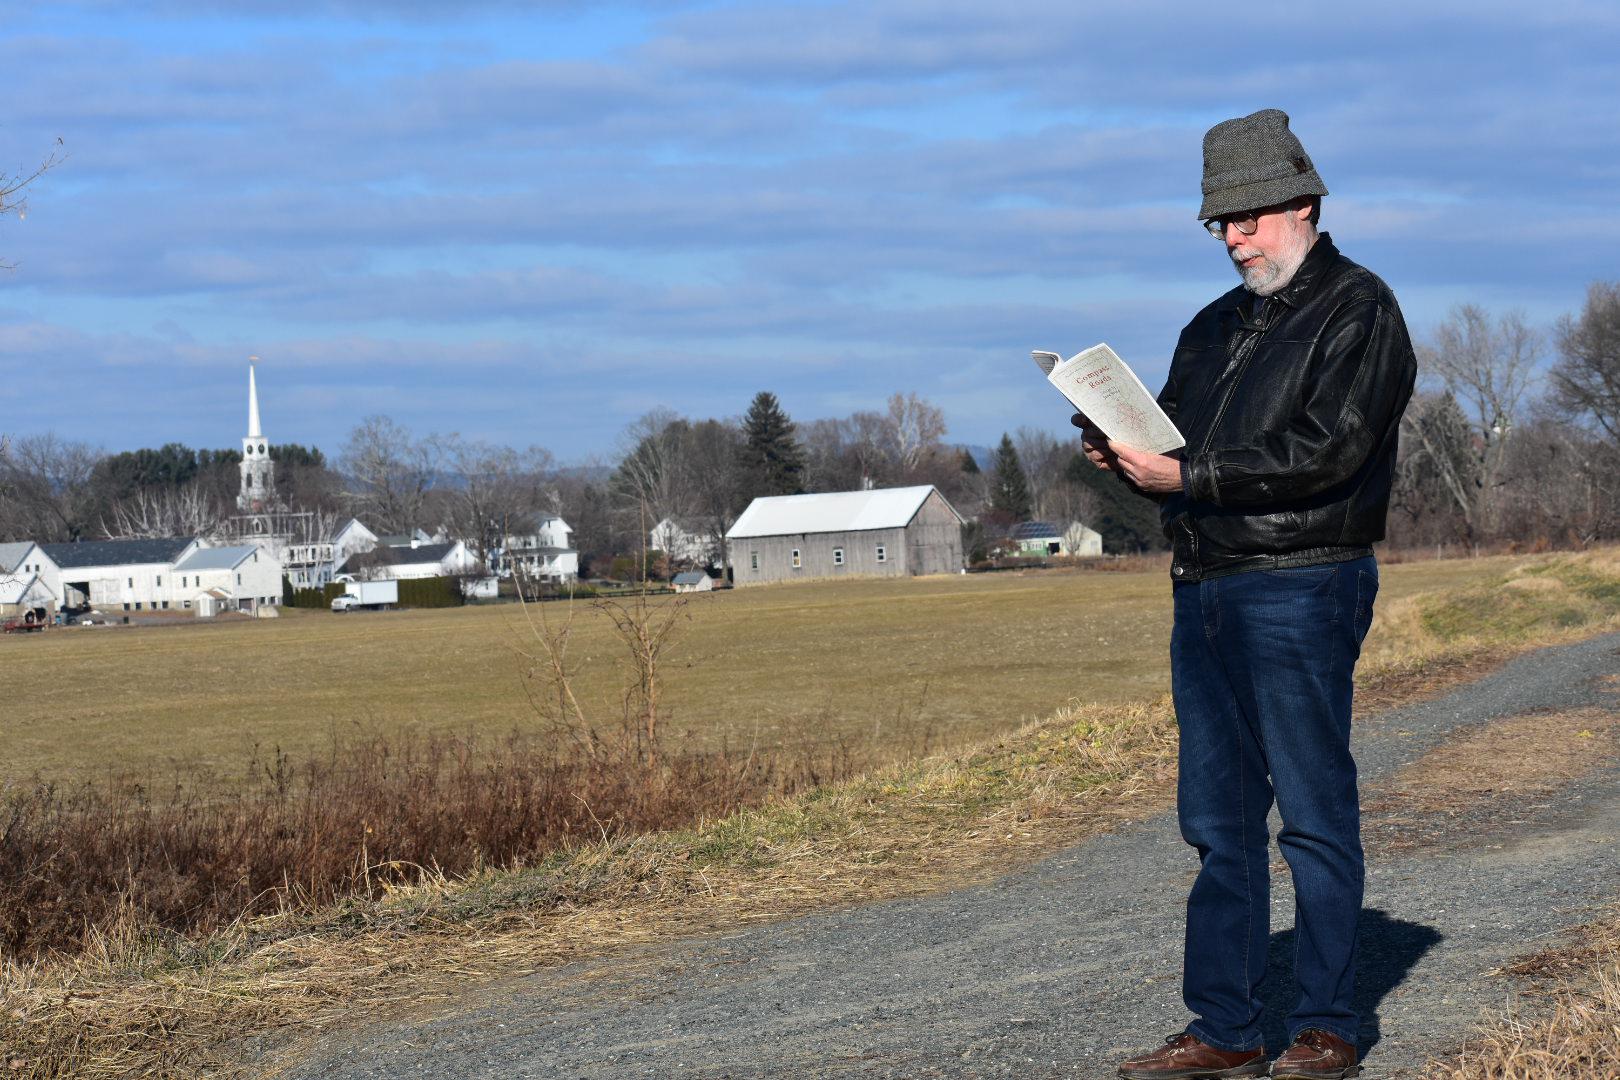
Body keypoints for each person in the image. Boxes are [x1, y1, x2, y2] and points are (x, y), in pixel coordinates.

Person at [1075, 109, 1417, 1080]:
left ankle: (1328, 1026)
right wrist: (1114, 448)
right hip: (1207, 588)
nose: (1234, 239)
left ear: (1305, 203)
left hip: (1305, 582)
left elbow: (1331, 449)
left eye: (1250, 218)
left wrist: (1191, 480)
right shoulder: (1212, 326)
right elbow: (1180, 444)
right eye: (1219, 223)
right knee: (1216, 821)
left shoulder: (1360, 310)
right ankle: (1225, 1027)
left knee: (1312, 810)